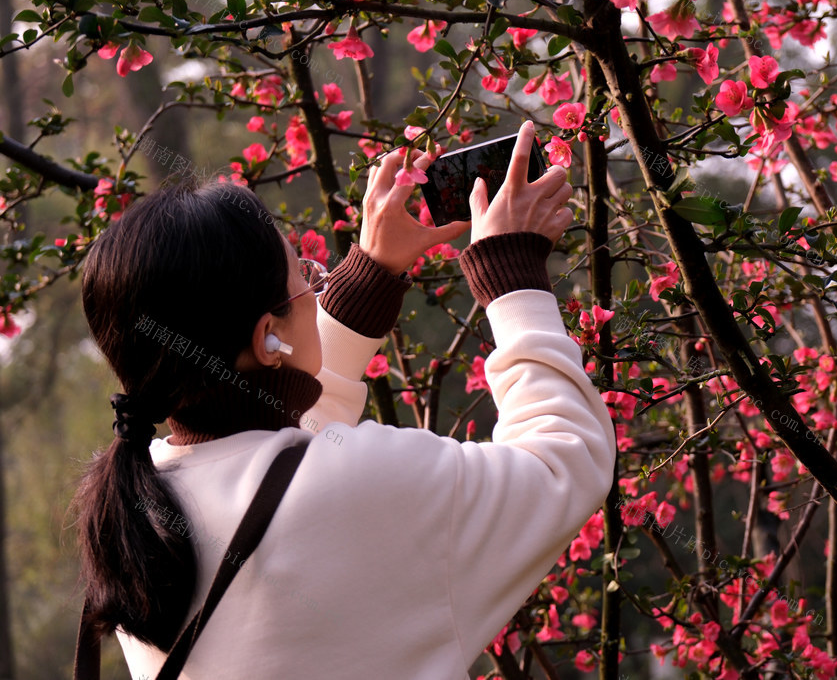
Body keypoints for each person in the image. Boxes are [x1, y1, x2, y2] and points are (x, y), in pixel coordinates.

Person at [71, 121, 616, 678]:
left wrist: (371, 277)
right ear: (267, 336)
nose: (319, 284)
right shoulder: (368, 480)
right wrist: (513, 278)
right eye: (305, 277)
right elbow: (565, 460)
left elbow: (281, 465)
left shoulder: (136, 505)